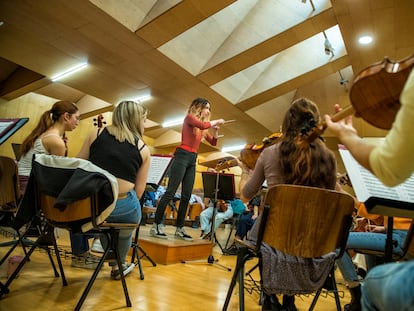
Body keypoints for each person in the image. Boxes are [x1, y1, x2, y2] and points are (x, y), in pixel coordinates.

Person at [325, 68, 414, 311]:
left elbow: (367, 208)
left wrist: (349, 139)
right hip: (395, 234)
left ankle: (356, 290)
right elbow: (373, 213)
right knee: (373, 248)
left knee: (337, 240)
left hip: (402, 239)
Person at [239, 97, 338, 311]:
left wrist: (245, 174)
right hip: (313, 243)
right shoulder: (328, 158)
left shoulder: (270, 153)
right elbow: (338, 201)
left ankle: (269, 296)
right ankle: (288, 301)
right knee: (282, 230)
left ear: (286, 124)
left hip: (273, 239)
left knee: (267, 228)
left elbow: (246, 196)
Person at [17, 100, 101, 269]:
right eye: (76, 118)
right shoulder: (55, 141)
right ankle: (81, 253)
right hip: (30, 193)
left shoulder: (46, 135)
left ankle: (83, 249)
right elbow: (58, 179)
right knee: (76, 201)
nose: (78, 122)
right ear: (66, 117)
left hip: (24, 189)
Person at [77, 100, 150, 280]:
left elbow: (78, 167)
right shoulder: (143, 149)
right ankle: (119, 264)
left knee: (105, 218)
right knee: (129, 218)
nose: (145, 124)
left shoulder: (95, 133)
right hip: (121, 207)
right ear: (135, 120)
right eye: (144, 120)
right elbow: (139, 192)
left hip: (92, 204)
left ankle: (101, 242)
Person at [150, 98, 224, 241]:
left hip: (192, 158)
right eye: (206, 108)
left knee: (186, 195)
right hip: (182, 156)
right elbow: (202, 124)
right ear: (198, 107)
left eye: (209, 108)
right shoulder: (189, 118)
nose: (208, 111)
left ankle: (179, 228)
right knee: (170, 192)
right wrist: (215, 121)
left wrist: (215, 131)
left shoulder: (202, 128)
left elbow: (214, 142)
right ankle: (156, 225)